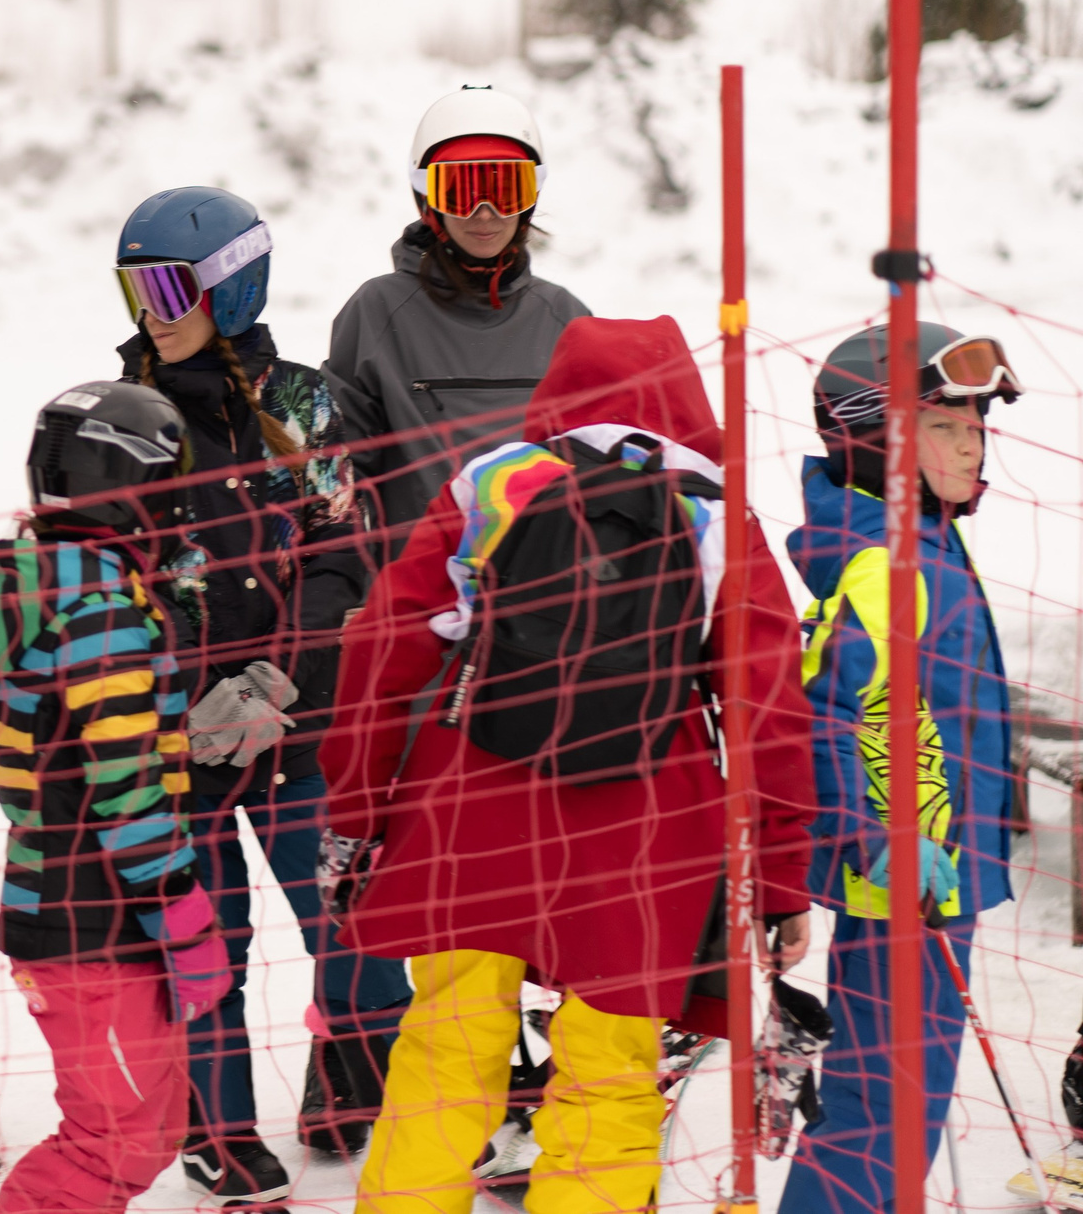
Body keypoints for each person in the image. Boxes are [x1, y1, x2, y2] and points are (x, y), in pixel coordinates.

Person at [320, 316, 818, 1214]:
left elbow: (383, 652)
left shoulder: (493, 482)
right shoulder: (717, 513)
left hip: (468, 816)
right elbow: (769, 716)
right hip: (643, 842)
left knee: (443, 1061)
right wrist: (781, 880)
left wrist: (357, 807)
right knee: (609, 1082)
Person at [111, 185, 396, 1202]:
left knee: (353, 919)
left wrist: (286, 678)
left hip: (294, 724)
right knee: (206, 944)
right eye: (134, 284)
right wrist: (165, 694)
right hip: (174, 739)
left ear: (231, 289)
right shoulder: (119, 419)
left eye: (170, 285)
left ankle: (354, 1071)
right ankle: (217, 1128)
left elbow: (338, 551)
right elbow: (100, 569)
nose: (150, 307)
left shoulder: (303, 403)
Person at [0, 380, 233, 1214]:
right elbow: (125, 782)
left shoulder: (59, 587)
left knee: (146, 1124)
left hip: (79, 905)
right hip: (90, 915)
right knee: (116, 1136)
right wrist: (180, 903)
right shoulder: (98, 608)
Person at [779, 323, 1021, 1214]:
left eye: (977, 429)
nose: (972, 446)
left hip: (933, 870)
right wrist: (880, 839)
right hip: (908, 878)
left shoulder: (922, 538)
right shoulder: (892, 561)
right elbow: (823, 713)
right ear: (878, 440)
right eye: (945, 428)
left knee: (890, 1104)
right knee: (883, 1111)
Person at [325, 85, 589, 564]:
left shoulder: (566, 320)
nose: (483, 213)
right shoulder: (378, 312)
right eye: (462, 191)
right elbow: (339, 478)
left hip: (540, 597)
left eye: (505, 192)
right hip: (420, 593)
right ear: (429, 199)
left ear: (529, 200)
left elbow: (603, 467)